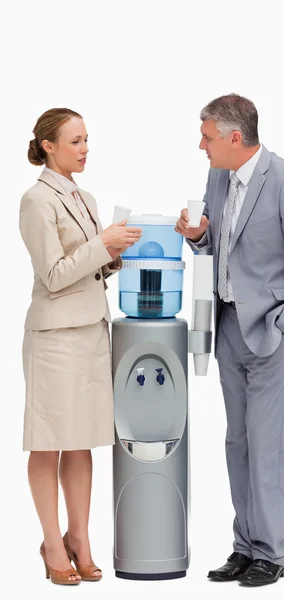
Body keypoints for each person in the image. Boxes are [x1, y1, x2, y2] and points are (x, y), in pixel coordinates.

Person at [176, 94, 284, 586]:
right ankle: (245, 546)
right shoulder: (218, 176)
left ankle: (272, 551)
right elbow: (221, 247)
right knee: (238, 443)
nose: (200, 145)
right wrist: (199, 235)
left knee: (270, 446)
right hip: (229, 331)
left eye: (206, 137)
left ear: (234, 138)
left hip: (273, 339)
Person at [19, 108, 142, 585]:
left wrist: (116, 254)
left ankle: (80, 539)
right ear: (49, 146)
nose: (85, 148)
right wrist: (101, 245)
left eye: (87, 139)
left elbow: (88, 269)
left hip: (92, 331)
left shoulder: (85, 197)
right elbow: (53, 277)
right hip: (55, 338)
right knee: (50, 442)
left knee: (82, 442)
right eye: (75, 141)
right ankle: (53, 543)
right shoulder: (36, 200)